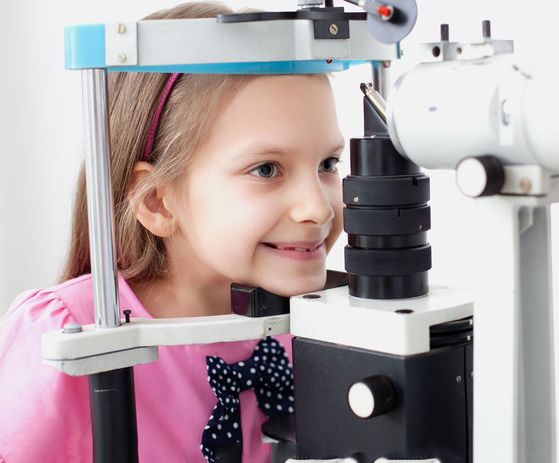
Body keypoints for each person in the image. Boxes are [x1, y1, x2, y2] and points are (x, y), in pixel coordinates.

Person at [0, 2, 345, 461]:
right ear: (157, 202)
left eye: (328, 164)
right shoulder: (64, 337)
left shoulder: (324, 326)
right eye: (266, 169)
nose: (317, 208)